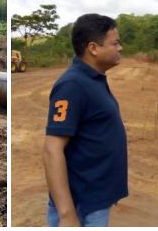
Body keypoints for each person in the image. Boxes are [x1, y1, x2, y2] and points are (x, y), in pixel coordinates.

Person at [43, 14, 127, 227]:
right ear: (93, 48)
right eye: (115, 43)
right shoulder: (72, 85)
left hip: (93, 201)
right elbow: (52, 150)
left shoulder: (93, 80)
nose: (120, 48)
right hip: (81, 206)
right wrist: (66, 214)